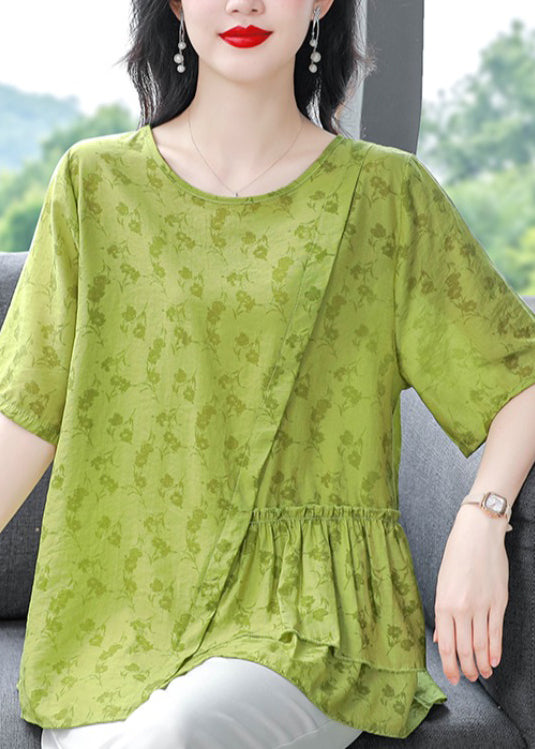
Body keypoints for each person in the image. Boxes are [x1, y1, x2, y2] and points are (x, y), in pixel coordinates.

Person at [1, 0, 535, 747]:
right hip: (117, 615)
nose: (244, 2)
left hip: (311, 616)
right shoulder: (93, 183)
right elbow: (26, 411)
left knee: (176, 731)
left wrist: (483, 517)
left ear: (320, 2)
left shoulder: (386, 194)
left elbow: (517, 375)